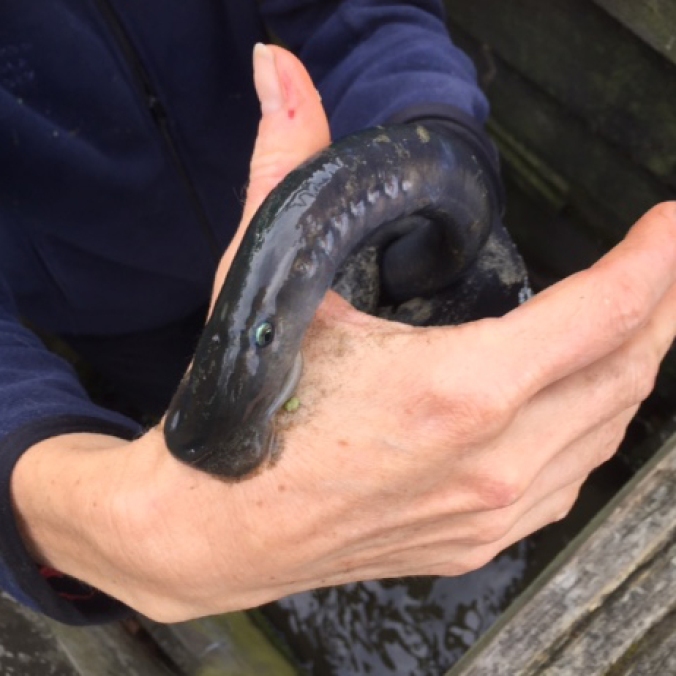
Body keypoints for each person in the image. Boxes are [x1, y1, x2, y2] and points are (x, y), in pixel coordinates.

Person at [2, 1, 675, 626]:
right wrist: (62, 499)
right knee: (205, 421)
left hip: (351, 217)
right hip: (116, 311)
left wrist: (431, 129)